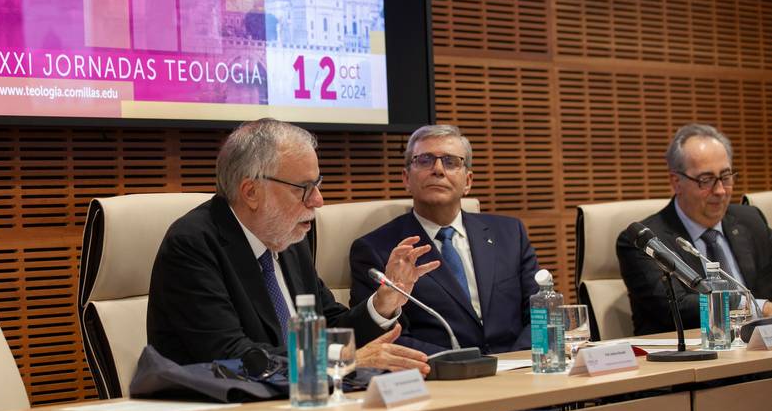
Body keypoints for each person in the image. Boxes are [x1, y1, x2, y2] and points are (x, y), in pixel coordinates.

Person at [146, 118, 435, 374]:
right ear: (251, 192)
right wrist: (344, 359)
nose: (318, 200)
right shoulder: (193, 245)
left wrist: (382, 303)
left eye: (318, 184)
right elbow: (232, 357)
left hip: (298, 403)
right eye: (303, 188)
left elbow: (328, 327)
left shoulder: (288, 239)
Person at [349, 125, 540, 355]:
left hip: (519, 369)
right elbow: (388, 337)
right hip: (440, 377)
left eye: (450, 162)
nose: (438, 169)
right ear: (406, 178)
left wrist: (517, 359)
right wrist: (462, 364)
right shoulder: (377, 250)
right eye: (425, 160)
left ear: (468, 181)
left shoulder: (510, 234)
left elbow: (541, 311)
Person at [616, 123, 772, 335]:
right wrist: (757, 307)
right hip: (694, 358)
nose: (720, 191)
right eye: (706, 180)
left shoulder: (750, 221)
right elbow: (676, 306)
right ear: (676, 182)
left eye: (726, 177)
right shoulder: (645, 241)